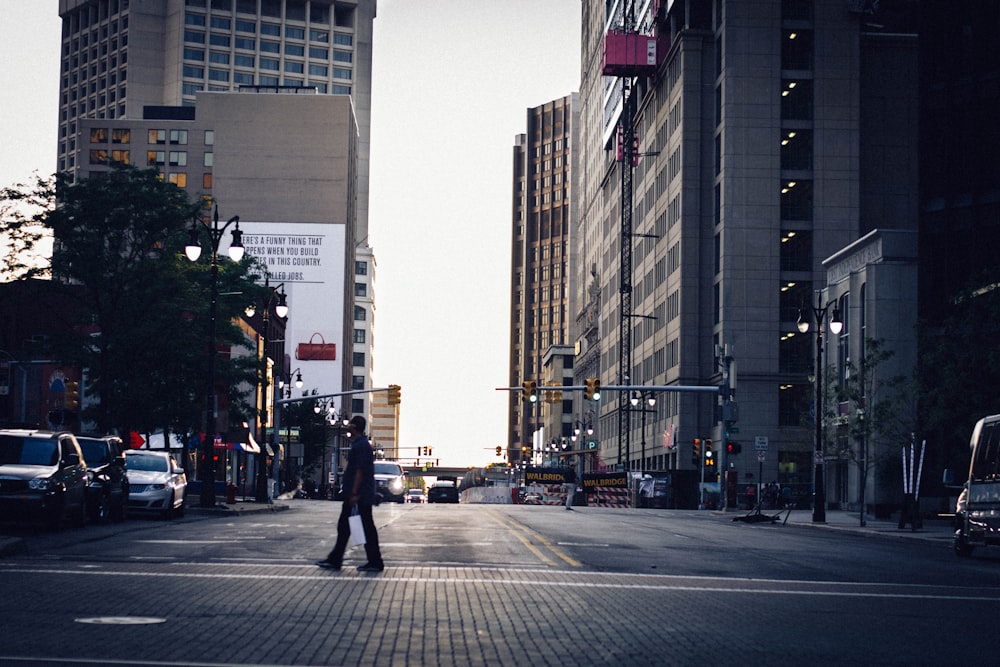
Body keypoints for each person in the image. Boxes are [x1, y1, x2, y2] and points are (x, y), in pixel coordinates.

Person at [316, 415, 384, 572]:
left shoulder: (360, 446)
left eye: (350, 427)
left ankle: (372, 561)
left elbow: (359, 471)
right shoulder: (362, 445)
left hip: (358, 496)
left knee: (361, 528)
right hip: (361, 495)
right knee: (350, 527)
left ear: (354, 427)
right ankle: (338, 559)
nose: (348, 429)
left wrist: (353, 493)